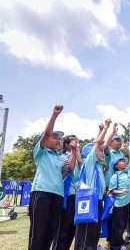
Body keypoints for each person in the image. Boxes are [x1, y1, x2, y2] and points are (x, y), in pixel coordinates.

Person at [28, 105, 77, 250]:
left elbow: (70, 169)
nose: (58, 140)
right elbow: (46, 132)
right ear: (44, 139)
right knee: (38, 231)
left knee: (51, 231)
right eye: (55, 137)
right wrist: (55, 115)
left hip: (58, 195)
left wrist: (74, 151)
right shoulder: (41, 152)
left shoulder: (61, 157)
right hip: (41, 193)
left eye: (60, 138)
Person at [74, 119, 110, 249]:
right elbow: (98, 143)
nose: (102, 153)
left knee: (94, 230)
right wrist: (106, 127)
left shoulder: (97, 166)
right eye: (99, 151)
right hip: (89, 201)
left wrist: (100, 131)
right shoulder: (89, 163)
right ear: (92, 153)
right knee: (86, 231)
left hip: (98, 201)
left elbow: (97, 144)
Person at [52, 134, 82, 250]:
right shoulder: (63, 157)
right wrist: (75, 152)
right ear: (67, 145)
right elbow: (70, 169)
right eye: (74, 142)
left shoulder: (80, 159)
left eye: (78, 142)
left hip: (77, 197)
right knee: (63, 228)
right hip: (66, 196)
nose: (77, 144)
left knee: (72, 229)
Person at [109, 154, 130, 250]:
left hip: (127, 203)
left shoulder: (127, 173)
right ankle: (114, 246)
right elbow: (112, 190)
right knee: (118, 225)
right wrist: (121, 191)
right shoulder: (115, 176)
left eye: (124, 160)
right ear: (116, 166)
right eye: (121, 161)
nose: (124, 162)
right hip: (119, 204)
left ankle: (120, 241)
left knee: (123, 224)